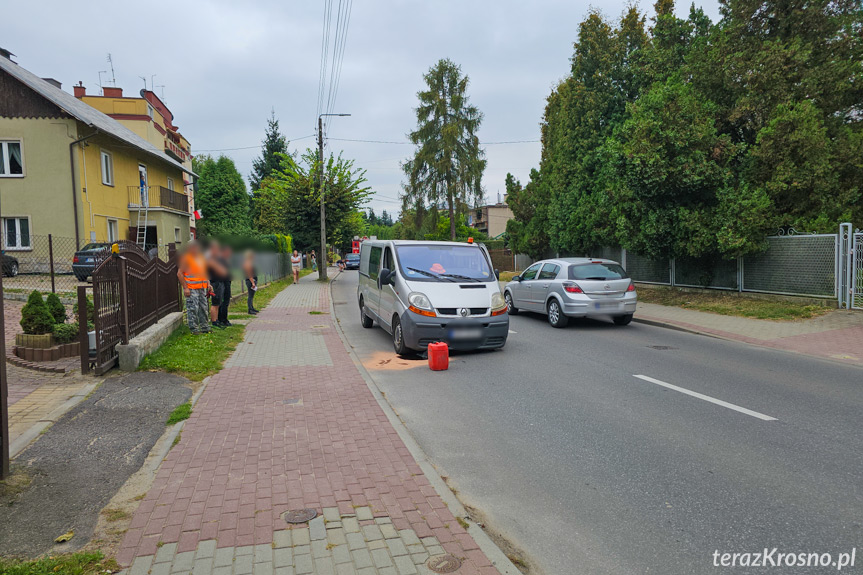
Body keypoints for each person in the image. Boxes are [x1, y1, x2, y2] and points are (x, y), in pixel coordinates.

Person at [177, 241, 210, 334]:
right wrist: (185, 288)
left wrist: (208, 284)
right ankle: (194, 328)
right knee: (193, 308)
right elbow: (179, 273)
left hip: (202, 287)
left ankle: (205, 327)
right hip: (192, 288)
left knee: (204, 307)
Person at [206, 240, 228, 329]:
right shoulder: (210, 259)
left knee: (218, 302)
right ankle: (214, 321)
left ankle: (217, 320)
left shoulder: (217, 258)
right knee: (215, 303)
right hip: (215, 282)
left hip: (220, 281)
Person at [243, 250, 259, 314]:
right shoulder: (247, 263)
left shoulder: (250, 262)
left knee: (252, 295)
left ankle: (252, 307)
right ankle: (250, 309)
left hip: (253, 279)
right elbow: (249, 274)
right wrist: (252, 282)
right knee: (250, 295)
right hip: (250, 280)